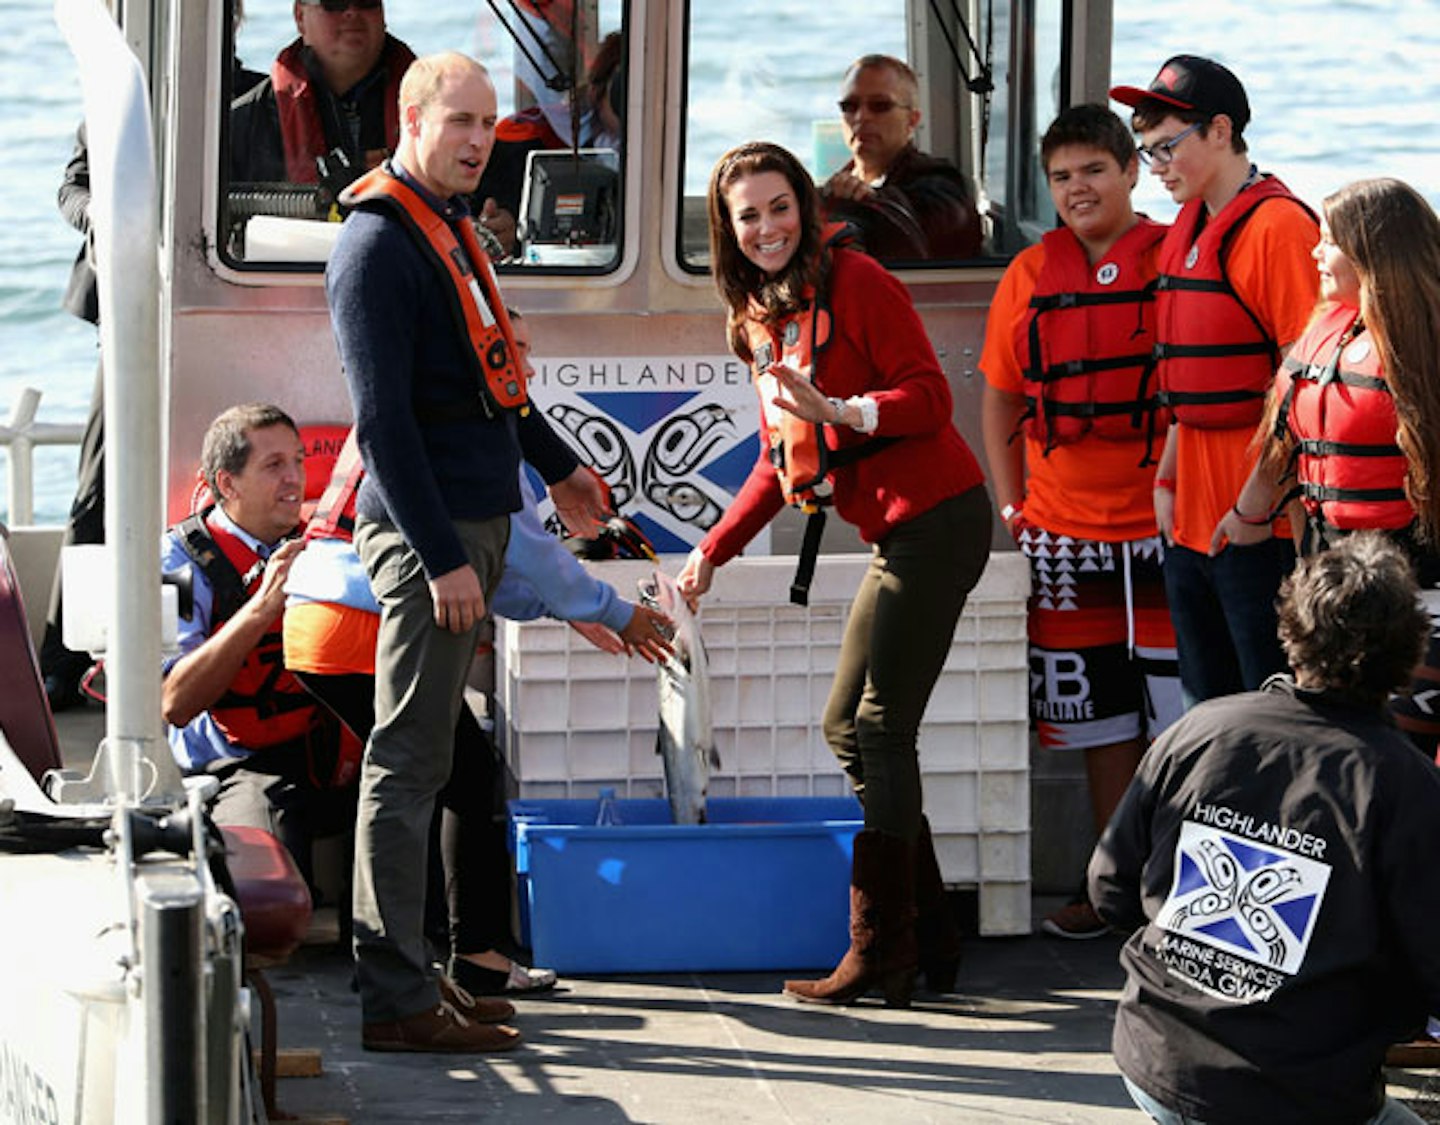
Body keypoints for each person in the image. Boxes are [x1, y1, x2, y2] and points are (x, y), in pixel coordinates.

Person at [326, 51, 608, 1052]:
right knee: (406, 766)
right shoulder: (377, 246)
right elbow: (384, 424)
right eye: (460, 121)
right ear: (410, 118)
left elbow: (498, 386)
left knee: (442, 760)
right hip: (430, 539)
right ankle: (395, 998)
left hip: (480, 525)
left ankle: (424, 977)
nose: (479, 140)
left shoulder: (445, 229)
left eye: (488, 123)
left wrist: (561, 468)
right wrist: (441, 556)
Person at [676, 140, 991, 1007]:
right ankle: (926, 933)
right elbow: (781, 458)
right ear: (728, 230)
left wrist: (842, 410)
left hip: (940, 519)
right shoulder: (758, 318)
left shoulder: (859, 283)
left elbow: (928, 395)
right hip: (896, 536)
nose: (768, 228)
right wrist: (712, 549)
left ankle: (883, 948)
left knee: (879, 727)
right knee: (847, 727)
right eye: (749, 216)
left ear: (807, 210)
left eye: (781, 208)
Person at [283, 307, 670, 996]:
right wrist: (607, 609)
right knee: (446, 776)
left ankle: (420, 958)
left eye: (523, 347)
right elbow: (528, 551)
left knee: (429, 773)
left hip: (313, 614)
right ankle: (456, 960)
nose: (515, 360)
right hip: (362, 620)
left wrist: (565, 609)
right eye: (503, 347)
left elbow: (490, 563)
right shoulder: (476, 426)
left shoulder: (435, 409)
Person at [1088, 532, 1440, 1125]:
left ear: (1291, 629)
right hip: (1298, 1091)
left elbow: (1109, 891)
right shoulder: (1404, 784)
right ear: (1411, 654)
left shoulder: (1200, 731)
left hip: (1158, 1059)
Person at [979, 104, 1181, 940]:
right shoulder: (1030, 272)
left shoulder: (1178, 256)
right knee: (1101, 720)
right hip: (1063, 534)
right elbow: (1000, 393)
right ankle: (1114, 888)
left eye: (1093, 170)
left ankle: (1187, 892)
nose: (1077, 189)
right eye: (1061, 176)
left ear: (1132, 170)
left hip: (1171, 528)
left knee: (1187, 712)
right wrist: (1011, 499)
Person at [1110, 55, 1319, 707]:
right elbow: (1186, 384)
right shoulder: (1187, 229)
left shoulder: (1279, 229)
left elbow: (1303, 391)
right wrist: (1166, 477)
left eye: (1167, 147)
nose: (1158, 168)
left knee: (1273, 705)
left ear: (1221, 131)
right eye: (1147, 154)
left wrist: (1255, 507)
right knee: (1209, 705)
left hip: (1260, 525)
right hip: (1191, 521)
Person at [1214, 177, 1440, 759]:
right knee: (1340, 752)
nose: (1315, 252)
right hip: (1330, 588)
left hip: (1417, 596)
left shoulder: (1426, 350)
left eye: (1329, 241)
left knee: (1403, 758)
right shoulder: (1326, 333)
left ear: (1372, 252)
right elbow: (1283, 440)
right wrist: (1246, 513)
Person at [160, 404, 359, 894]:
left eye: (298, 460)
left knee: (430, 779)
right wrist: (262, 608)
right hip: (238, 761)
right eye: (274, 467)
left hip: (327, 745)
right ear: (228, 484)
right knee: (268, 894)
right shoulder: (177, 564)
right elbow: (175, 702)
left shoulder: (323, 541)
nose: (296, 479)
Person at [230, 0, 416, 187]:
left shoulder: (435, 110)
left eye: (367, 1)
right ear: (300, 16)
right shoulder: (240, 126)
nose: (352, 12)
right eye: (333, 3)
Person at [472, 30, 624, 257]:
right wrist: (506, 229)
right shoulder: (523, 139)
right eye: (625, 88)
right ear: (597, 89)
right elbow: (479, 216)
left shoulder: (660, 153)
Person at [819, 54, 983, 263]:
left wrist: (869, 200)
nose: (861, 117)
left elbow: (945, 230)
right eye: (850, 106)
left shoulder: (940, 185)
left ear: (912, 120)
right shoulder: (834, 190)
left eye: (880, 106)